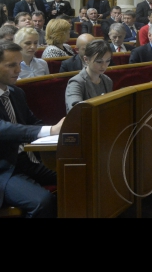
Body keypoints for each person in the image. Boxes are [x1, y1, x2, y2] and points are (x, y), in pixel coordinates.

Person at [0, 42, 64, 218]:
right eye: (11, 65)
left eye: (19, 65)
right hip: (4, 168)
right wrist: (51, 130)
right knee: (42, 201)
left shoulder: (16, 92)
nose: (18, 71)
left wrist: (63, 130)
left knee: (74, 176)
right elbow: (5, 130)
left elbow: (32, 122)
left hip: (27, 160)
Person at [65, 40, 114, 113]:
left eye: (107, 61)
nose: (104, 66)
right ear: (86, 59)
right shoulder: (76, 83)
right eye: (99, 62)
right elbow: (75, 113)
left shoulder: (107, 80)